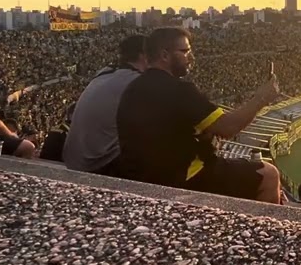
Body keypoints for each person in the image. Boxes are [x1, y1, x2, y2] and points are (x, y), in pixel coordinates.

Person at [116, 28, 281, 202]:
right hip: (179, 180)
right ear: (164, 55)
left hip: (139, 180)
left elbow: (162, 132)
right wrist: (262, 98)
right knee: (269, 174)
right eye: (185, 51)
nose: (191, 57)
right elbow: (229, 127)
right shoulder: (180, 90)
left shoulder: (132, 89)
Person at [63, 35, 148, 174]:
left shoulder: (104, 74)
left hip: (74, 160)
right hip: (99, 164)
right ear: (143, 56)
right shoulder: (135, 81)